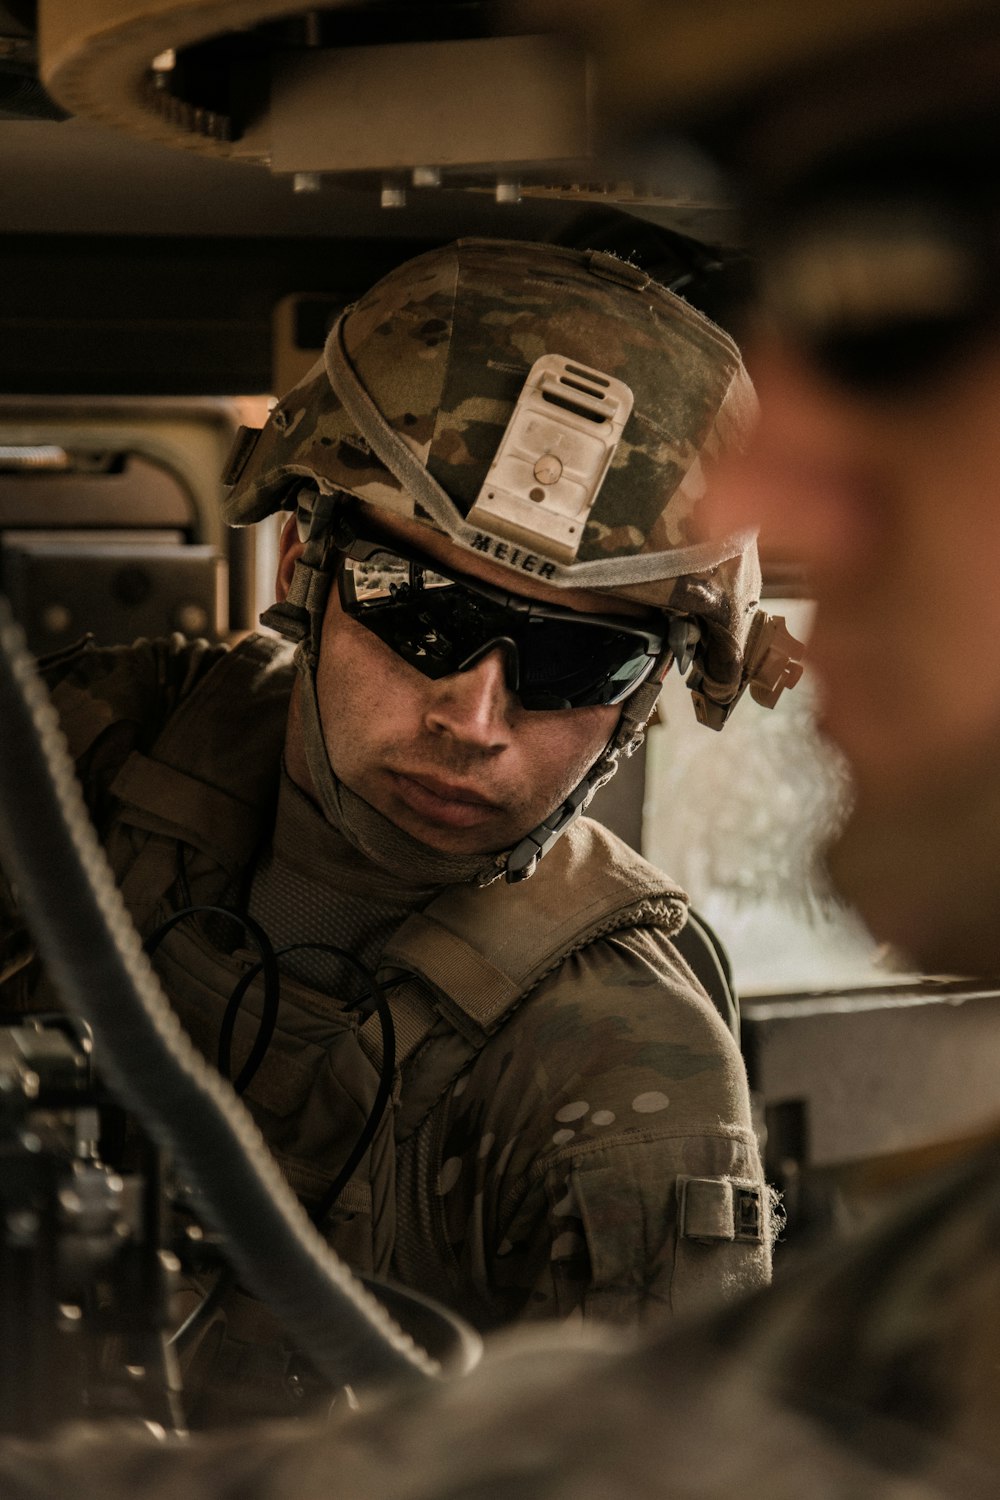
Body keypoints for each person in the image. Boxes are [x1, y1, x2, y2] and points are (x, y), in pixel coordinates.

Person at [0, 236, 800, 1421]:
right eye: (414, 608)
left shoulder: (618, 1051)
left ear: (644, 697)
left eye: (578, 656)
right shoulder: (90, 743)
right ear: (303, 563)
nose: (476, 718)